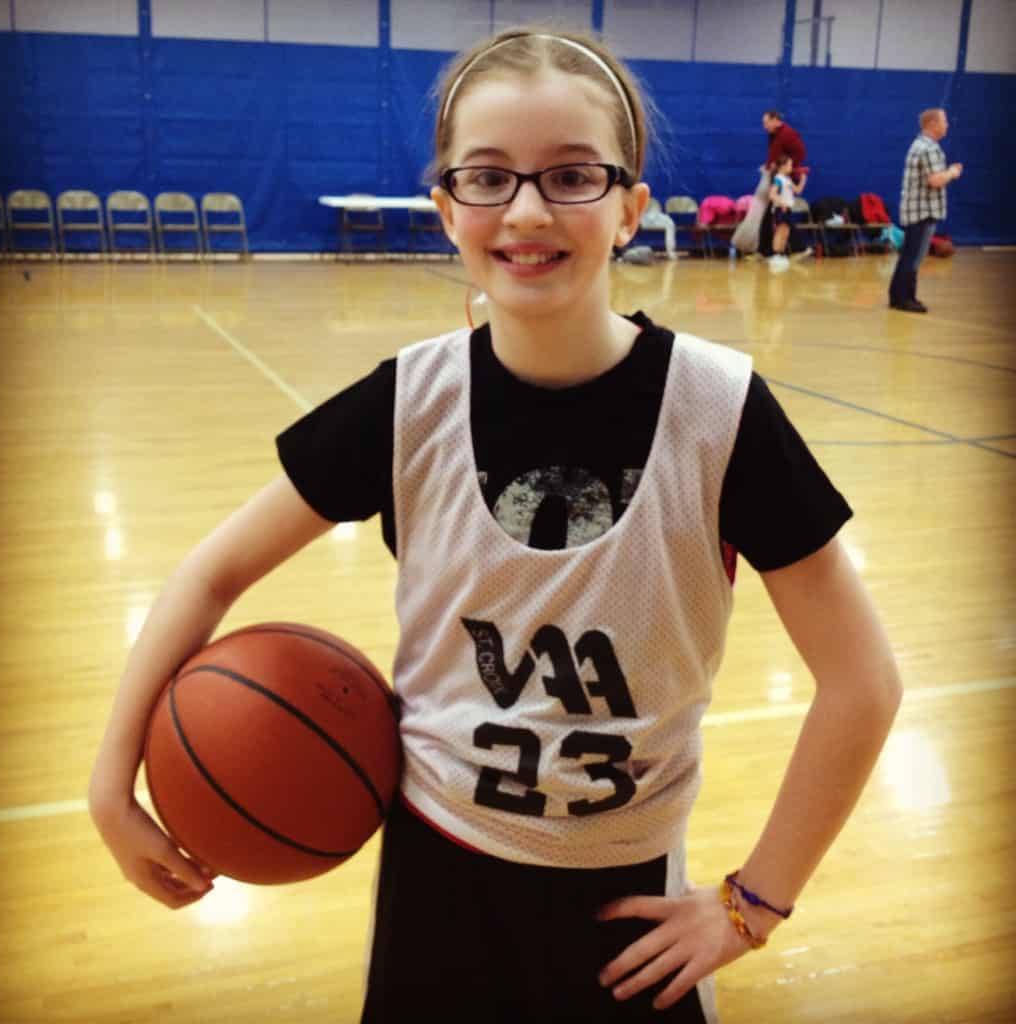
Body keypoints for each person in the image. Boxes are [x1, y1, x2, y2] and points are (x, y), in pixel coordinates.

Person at [88, 27, 902, 1024]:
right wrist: (108, 782)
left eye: (570, 176)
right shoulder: (408, 402)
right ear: (446, 210)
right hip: (433, 875)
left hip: (624, 899)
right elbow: (210, 574)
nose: (524, 209)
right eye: (487, 177)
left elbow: (862, 682)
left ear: (630, 209)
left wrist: (751, 905)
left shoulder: (718, 412)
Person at [888, 108, 962, 313]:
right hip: (923, 211)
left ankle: (897, 296)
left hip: (915, 210)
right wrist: (952, 173)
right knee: (914, 257)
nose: (947, 125)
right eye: (944, 121)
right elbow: (935, 180)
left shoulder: (919, 145)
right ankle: (906, 299)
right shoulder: (929, 149)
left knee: (908, 255)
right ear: (932, 124)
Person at [758, 110, 808, 257]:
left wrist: (794, 173)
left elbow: (798, 155)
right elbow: (774, 157)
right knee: (778, 221)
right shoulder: (775, 136)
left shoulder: (787, 134)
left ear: (775, 120)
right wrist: (768, 166)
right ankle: (770, 251)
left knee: (783, 224)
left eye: (766, 123)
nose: (765, 126)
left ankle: (781, 251)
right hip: (780, 194)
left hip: (783, 187)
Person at [767, 154, 800, 271]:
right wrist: (781, 203)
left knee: (786, 233)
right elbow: (772, 194)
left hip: (788, 209)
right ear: (783, 166)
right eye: (790, 165)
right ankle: (775, 255)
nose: (791, 167)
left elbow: (797, 190)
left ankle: (781, 254)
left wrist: (804, 178)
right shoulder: (778, 179)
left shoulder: (787, 179)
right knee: (779, 232)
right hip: (781, 209)